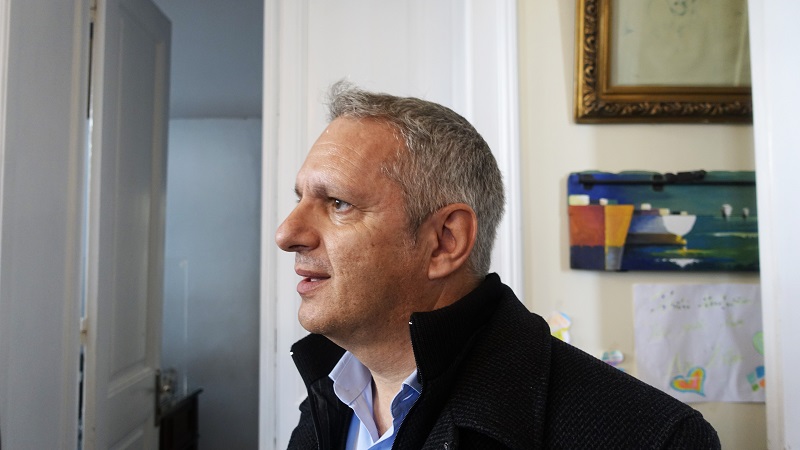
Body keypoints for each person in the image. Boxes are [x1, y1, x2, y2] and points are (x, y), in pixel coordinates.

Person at [276, 81, 720, 449]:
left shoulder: (654, 437)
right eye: (301, 199)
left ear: (445, 242)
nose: (286, 234)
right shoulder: (331, 398)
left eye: (338, 203)